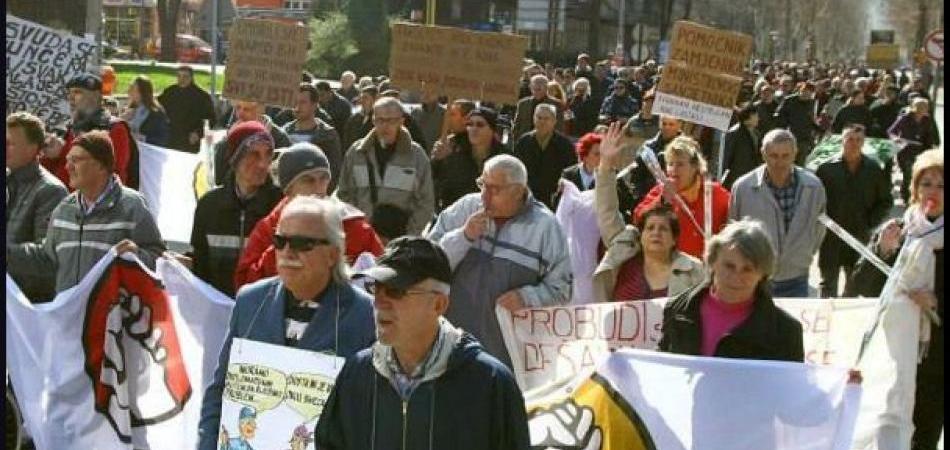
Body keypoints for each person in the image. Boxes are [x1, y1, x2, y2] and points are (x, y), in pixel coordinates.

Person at [315, 236, 530, 450]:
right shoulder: (357, 374)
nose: (379, 301)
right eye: (375, 287)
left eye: (395, 290)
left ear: (438, 304)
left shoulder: (490, 383)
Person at [198, 196, 377, 450]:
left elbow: (370, 417)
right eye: (280, 241)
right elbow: (220, 392)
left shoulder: (365, 315)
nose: (288, 252)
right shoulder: (251, 301)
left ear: (333, 254)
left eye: (304, 244)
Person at [426, 154, 571, 367]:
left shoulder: (545, 227)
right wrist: (463, 237)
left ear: (519, 191)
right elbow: (428, 261)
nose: (484, 196)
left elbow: (562, 289)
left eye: (495, 189)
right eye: (483, 185)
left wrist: (527, 297)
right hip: (448, 347)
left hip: (505, 357)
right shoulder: (466, 208)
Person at [846, 149, 943, 450]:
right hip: (892, 352)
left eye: (942, 185)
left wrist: (935, 302)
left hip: (934, 357)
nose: (933, 192)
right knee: (887, 428)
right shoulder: (899, 231)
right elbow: (858, 286)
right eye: (926, 183)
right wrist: (883, 251)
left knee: (924, 432)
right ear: (914, 189)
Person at [6, 131, 165, 294]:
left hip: (110, 315)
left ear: (101, 165)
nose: (68, 167)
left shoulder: (132, 206)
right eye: (68, 160)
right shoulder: (64, 209)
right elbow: (47, 258)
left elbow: (159, 259)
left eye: (76, 160)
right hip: (68, 315)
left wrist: (137, 254)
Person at [233, 142, 383, 290]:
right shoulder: (268, 230)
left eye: (324, 178)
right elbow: (245, 285)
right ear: (288, 190)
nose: (318, 188)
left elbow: (382, 277)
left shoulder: (353, 226)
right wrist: (283, 246)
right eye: (308, 180)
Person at [658, 219, 805, 361]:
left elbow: (788, 384)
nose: (736, 277)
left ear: (762, 275)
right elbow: (663, 369)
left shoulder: (786, 332)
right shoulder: (677, 310)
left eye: (747, 269)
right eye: (729, 266)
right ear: (712, 262)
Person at [593, 122, 704, 302]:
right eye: (650, 228)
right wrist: (606, 164)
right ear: (640, 234)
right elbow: (607, 211)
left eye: (663, 229)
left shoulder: (695, 272)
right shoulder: (624, 254)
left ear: (675, 238)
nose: (656, 233)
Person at [729, 129, 826, 298]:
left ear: (795, 154)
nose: (779, 162)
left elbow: (819, 228)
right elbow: (734, 230)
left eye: (785, 156)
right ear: (763, 154)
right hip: (756, 277)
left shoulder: (813, 187)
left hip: (796, 277)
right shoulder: (743, 188)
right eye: (773, 155)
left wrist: (804, 253)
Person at [191, 121, 284, 297]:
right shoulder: (208, 206)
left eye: (268, 154)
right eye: (254, 155)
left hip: (265, 312)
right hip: (218, 313)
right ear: (235, 157)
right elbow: (201, 267)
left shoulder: (281, 205)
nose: (263, 164)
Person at [336, 97, 435, 235]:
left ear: (402, 121)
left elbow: (426, 202)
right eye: (380, 120)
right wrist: (358, 228)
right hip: (362, 236)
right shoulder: (356, 152)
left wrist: (409, 234)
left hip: (399, 238)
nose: (385, 126)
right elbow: (343, 194)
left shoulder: (416, 156)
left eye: (391, 121)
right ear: (373, 120)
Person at [815, 124, 892, 298]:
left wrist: (870, 222)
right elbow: (815, 202)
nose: (854, 143)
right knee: (828, 283)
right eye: (850, 139)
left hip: (860, 236)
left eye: (858, 140)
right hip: (830, 237)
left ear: (864, 142)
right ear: (841, 141)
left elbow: (886, 201)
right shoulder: (826, 169)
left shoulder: (873, 170)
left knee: (855, 284)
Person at [633, 136, 731, 259]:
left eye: (680, 164)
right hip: (671, 271)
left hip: (706, 271)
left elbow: (733, 229)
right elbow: (638, 219)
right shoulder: (660, 191)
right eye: (670, 164)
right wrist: (661, 200)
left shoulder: (716, 193)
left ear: (695, 166)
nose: (673, 170)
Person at [6, 112, 69, 301]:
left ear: (33, 148)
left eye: (11, 143)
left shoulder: (50, 191)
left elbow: (47, 255)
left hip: (26, 306)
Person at [41, 73, 139, 189]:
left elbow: (110, 173)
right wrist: (49, 155)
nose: (71, 98)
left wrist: (63, 152)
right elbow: (49, 172)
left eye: (78, 92)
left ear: (96, 97)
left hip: (97, 203)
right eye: (70, 93)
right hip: (64, 201)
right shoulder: (67, 128)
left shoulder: (114, 128)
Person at [432, 107, 508, 212]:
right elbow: (432, 178)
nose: (473, 128)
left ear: (492, 130)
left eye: (480, 125)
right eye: (470, 124)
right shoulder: (452, 150)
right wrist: (437, 159)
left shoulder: (504, 158)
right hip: (456, 214)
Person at [616, 115, 682, 220]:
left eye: (671, 124)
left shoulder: (687, 148)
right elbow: (636, 177)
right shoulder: (648, 148)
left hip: (679, 202)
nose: (667, 127)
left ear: (679, 125)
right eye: (664, 124)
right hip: (651, 200)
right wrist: (641, 197)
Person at [512, 103, 576, 210]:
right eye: (539, 117)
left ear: (554, 121)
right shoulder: (524, 142)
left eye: (546, 118)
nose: (542, 121)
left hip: (553, 200)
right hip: (527, 198)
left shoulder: (564, 144)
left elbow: (571, 172)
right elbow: (516, 169)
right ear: (533, 119)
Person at [213, 100, 292, 186]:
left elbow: (283, 179)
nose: (240, 114)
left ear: (261, 110)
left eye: (247, 109)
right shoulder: (230, 136)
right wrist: (229, 140)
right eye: (238, 108)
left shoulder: (279, 138)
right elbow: (219, 179)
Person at [282, 83, 343, 191]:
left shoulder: (328, 135)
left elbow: (334, 172)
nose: (297, 107)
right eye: (294, 102)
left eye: (302, 102)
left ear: (314, 105)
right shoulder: (283, 132)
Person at [889, 97, 940, 203]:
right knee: (908, 174)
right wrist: (896, 139)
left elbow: (930, 134)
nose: (925, 110)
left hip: (921, 151)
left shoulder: (927, 120)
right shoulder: (904, 118)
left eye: (926, 107)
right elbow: (891, 131)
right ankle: (907, 196)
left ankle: (913, 194)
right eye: (923, 107)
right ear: (916, 108)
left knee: (918, 174)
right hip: (906, 151)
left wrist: (933, 146)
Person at [157, 65, 216, 153]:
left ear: (191, 78)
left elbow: (212, 119)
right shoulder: (170, 92)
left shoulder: (202, 96)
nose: (182, 79)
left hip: (189, 141)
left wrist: (198, 133)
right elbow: (156, 107)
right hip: (170, 138)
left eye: (185, 76)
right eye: (179, 76)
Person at [774, 81, 819, 165]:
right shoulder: (789, 101)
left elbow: (812, 120)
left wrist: (820, 129)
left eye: (809, 93)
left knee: (800, 164)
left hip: (805, 138)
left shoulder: (812, 103)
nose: (806, 95)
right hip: (790, 136)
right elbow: (779, 116)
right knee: (788, 161)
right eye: (804, 91)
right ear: (800, 90)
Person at [511, 74, 564, 142]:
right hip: (526, 142)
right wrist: (517, 140)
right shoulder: (523, 104)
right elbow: (517, 124)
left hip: (547, 142)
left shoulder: (556, 104)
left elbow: (559, 126)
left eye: (539, 89)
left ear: (546, 88)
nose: (536, 91)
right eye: (534, 89)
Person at [120, 75, 170, 146]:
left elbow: (162, 139)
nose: (129, 91)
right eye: (130, 87)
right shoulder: (128, 109)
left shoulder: (156, 113)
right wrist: (122, 119)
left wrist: (143, 138)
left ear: (142, 93)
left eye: (132, 89)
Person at [722, 103, 762, 190]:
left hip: (751, 176)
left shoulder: (756, 134)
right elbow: (725, 157)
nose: (758, 118)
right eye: (756, 115)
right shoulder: (734, 133)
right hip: (736, 177)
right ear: (749, 116)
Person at [342, 85, 378, 151]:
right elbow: (346, 138)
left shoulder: (378, 120)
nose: (362, 101)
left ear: (375, 99)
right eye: (361, 98)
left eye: (365, 98)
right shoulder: (354, 117)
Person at [410, 86, 445, 154]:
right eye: (423, 92)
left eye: (431, 92)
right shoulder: (415, 112)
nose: (426, 95)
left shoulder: (444, 114)